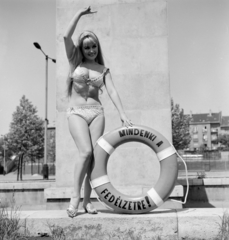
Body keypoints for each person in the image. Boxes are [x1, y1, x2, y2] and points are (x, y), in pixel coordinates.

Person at [64, 6, 133, 218]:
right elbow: (66, 35)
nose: (91, 50)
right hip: (76, 112)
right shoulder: (75, 61)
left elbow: (112, 90)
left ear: (97, 47)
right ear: (82, 49)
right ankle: (74, 197)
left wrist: (122, 113)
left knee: (93, 158)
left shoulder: (103, 70)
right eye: (87, 47)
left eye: (94, 46)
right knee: (84, 152)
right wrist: (80, 14)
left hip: (97, 113)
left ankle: (87, 201)